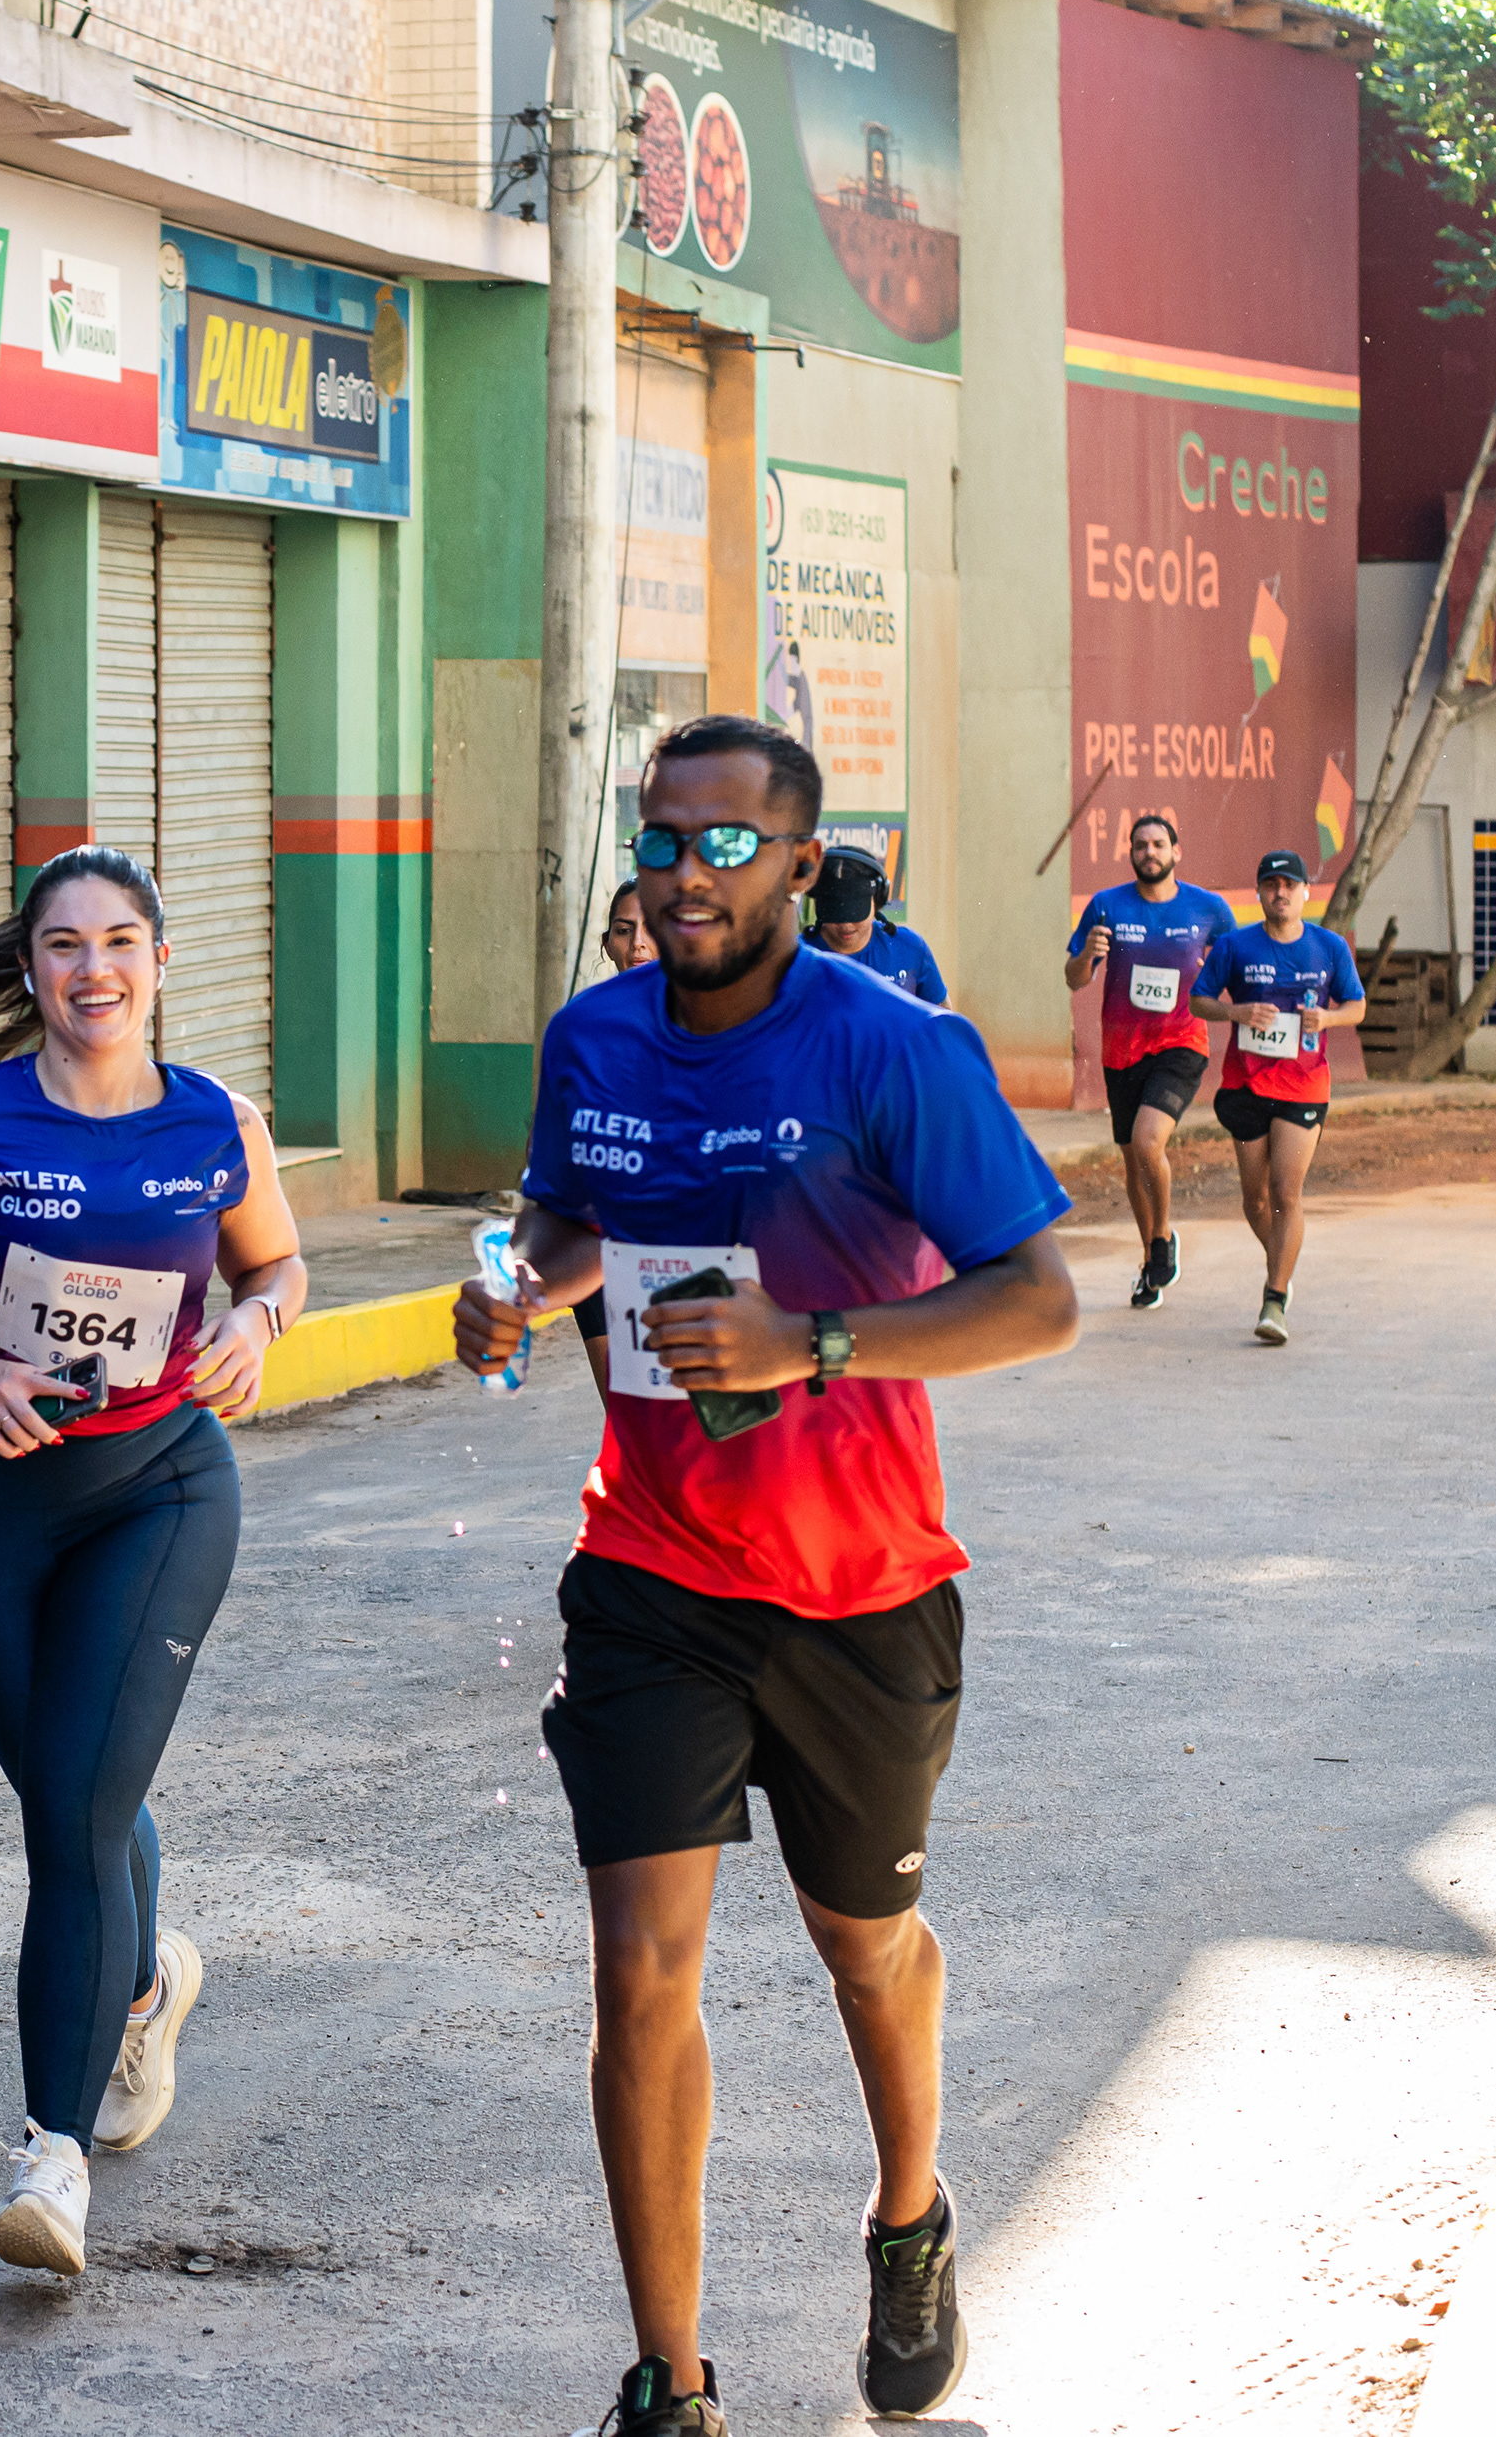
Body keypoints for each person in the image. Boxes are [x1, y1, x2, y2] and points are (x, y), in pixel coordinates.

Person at [449, 716, 1079, 2437]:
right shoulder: (595, 1038)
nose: (687, 873)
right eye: (663, 838)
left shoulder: (894, 1048)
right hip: (651, 1567)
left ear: (801, 863)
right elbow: (572, 1216)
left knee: (863, 1945)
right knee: (640, 1967)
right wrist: (519, 1287)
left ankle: (909, 2212)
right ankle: (671, 2380)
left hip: (864, 1584)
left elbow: (1038, 1298)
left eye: (727, 844)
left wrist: (813, 1342)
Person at [0, 845, 307, 2277]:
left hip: (162, 1488)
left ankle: (53, 2157)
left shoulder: (219, 1121)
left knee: (73, 1818)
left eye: (120, 941)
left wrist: (256, 1322)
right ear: (31, 970)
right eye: (65, 944)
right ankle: (145, 1980)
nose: (95, 968)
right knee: (69, 1787)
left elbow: (276, 1264)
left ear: (160, 961)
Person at [1189, 850, 1366, 1347]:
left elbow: (1357, 1006)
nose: (1280, 892)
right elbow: (1199, 1000)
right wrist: (1237, 1012)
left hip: (1304, 1083)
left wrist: (1328, 1019)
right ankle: (1283, 1262)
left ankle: (1274, 1296)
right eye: (1271, 884)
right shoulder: (1235, 946)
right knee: (1255, 1200)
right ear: (1260, 892)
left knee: (1287, 1191)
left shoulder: (1328, 947)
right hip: (1246, 1083)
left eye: (1289, 884)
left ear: (1305, 891)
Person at [1062, 813, 1235, 1312]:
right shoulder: (1107, 906)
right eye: (1140, 845)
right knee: (1132, 1159)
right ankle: (1153, 1257)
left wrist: (1215, 976)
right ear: (1131, 853)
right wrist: (1086, 955)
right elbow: (1074, 978)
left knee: (1146, 1141)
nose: (1149, 852)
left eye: (1159, 844)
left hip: (1181, 1043)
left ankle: (1161, 1240)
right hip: (1121, 1049)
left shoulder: (1209, 909)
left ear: (1176, 852)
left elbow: (1237, 968)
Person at [578, 878, 659, 1390]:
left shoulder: (713, 1029)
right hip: (600, 1243)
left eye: (652, 929)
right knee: (623, 1414)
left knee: (684, 1417)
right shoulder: (582, 1030)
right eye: (624, 931)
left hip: (682, 1248)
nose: (638, 945)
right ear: (608, 943)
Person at [808, 847, 948, 1006]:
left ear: (878, 900)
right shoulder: (794, 957)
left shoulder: (910, 949)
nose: (846, 925)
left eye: (855, 912)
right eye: (835, 913)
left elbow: (943, 1015)